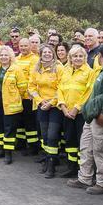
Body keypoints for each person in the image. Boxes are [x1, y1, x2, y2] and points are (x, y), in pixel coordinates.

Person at [68, 44, 103, 194]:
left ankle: (102, 182)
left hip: (102, 118)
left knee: (100, 150)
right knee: (86, 146)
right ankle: (84, 178)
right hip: (92, 116)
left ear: (100, 55)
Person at [28, 45, 64, 178]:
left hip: (55, 107)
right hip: (41, 105)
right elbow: (31, 86)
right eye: (44, 52)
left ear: (53, 54)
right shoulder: (37, 69)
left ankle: (52, 164)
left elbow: (62, 88)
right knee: (44, 135)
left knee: (52, 135)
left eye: (49, 52)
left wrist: (51, 103)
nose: (47, 54)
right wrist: (40, 100)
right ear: (41, 54)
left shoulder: (59, 68)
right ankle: (47, 159)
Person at [56, 45, 92, 176]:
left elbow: (88, 93)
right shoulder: (66, 71)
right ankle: (71, 167)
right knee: (69, 140)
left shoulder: (89, 72)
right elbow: (59, 88)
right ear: (70, 58)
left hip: (80, 114)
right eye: (75, 56)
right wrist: (63, 107)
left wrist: (76, 108)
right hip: (66, 112)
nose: (77, 58)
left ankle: (81, 169)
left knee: (81, 141)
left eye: (80, 56)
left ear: (85, 57)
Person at [0, 46, 27, 163]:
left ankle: (8, 153)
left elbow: (22, 87)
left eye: (6, 55)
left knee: (9, 129)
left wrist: (14, 97)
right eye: (1, 55)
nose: (3, 57)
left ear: (10, 56)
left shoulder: (16, 69)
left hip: (10, 104)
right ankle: (1, 149)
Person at [14, 38, 39, 155]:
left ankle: (33, 146)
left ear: (30, 46)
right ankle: (21, 143)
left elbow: (32, 77)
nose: (23, 48)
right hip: (17, 96)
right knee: (19, 121)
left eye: (25, 46)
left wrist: (28, 92)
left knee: (29, 122)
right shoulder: (16, 59)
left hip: (28, 97)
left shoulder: (34, 59)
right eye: (21, 46)